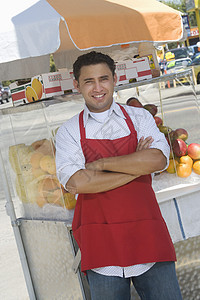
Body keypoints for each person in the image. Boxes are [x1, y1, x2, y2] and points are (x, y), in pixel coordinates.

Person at [56, 51, 182, 300]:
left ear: (115, 79)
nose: (97, 87)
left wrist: (101, 165)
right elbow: (77, 182)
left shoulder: (139, 117)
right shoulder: (68, 131)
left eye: (103, 79)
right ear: (77, 85)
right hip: (100, 241)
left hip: (147, 233)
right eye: (88, 81)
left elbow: (157, 160)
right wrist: (136, 165)